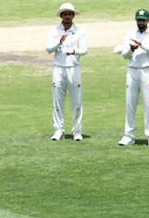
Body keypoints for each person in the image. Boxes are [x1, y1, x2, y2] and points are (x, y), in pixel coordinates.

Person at [118, 9, 149, 148]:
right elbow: (124, 55)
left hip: (147, 71)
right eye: (138, 20)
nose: (140, 23)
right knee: (130, 104)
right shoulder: (130, 33)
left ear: (148, 20)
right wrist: (131, 49)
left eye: (143, 20)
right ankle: (129, 135)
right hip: (132, 71)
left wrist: (142, 45)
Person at [45, 3, 86, 141]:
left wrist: (75, 51)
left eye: (69, 14)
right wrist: (59, 43)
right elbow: (49, 49)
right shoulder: (54, 31)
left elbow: (84, 50)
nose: (67, 16)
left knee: (77, 101)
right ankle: (58, 130)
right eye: (65, 14)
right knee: (57, 100)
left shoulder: (79, 31)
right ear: (61, 16)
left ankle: (77, 131)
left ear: (73, 16)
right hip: (58, 68)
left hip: (73, 68)